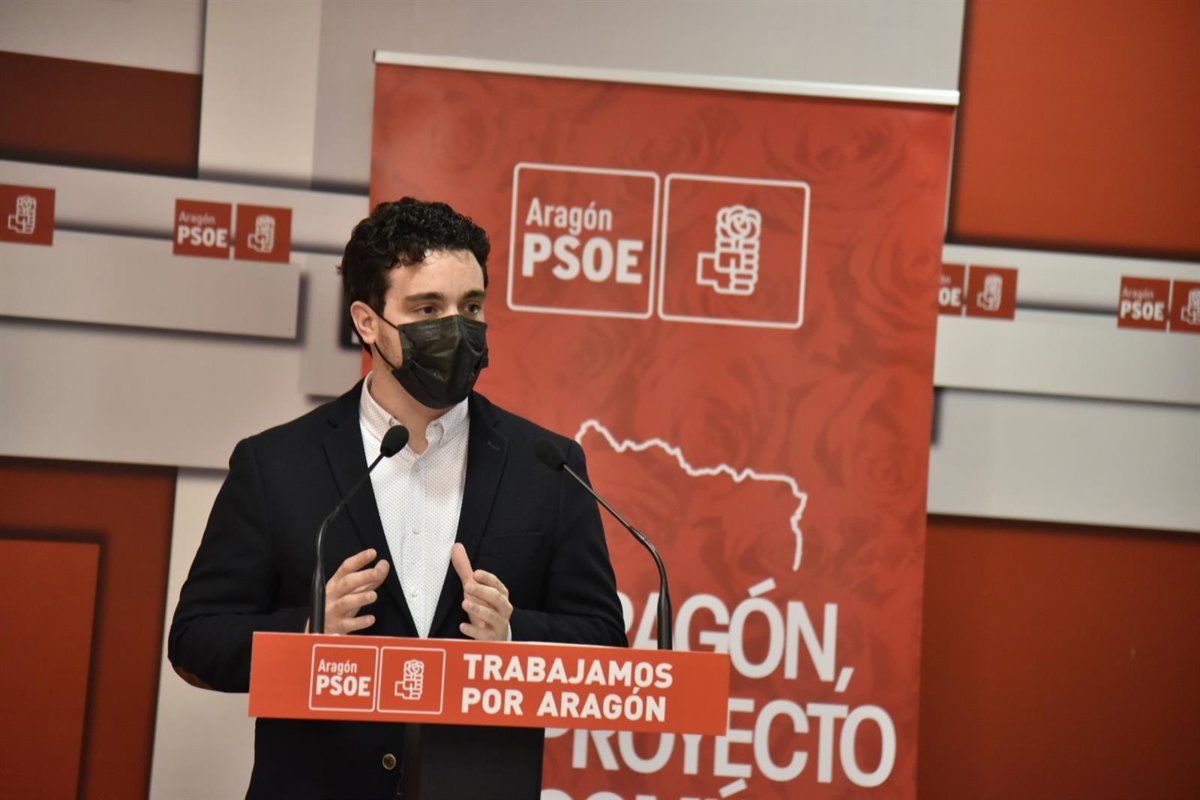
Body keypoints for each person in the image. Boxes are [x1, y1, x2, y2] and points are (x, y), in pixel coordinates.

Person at [168, 198, 627, 799]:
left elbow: (604, 642)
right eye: (427, 309)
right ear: (367, 322)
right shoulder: (276, 464)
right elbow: (196, 639)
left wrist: (515, 635)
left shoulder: (547, 466)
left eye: (471, 307)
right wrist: (306, 633)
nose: (456, 329)